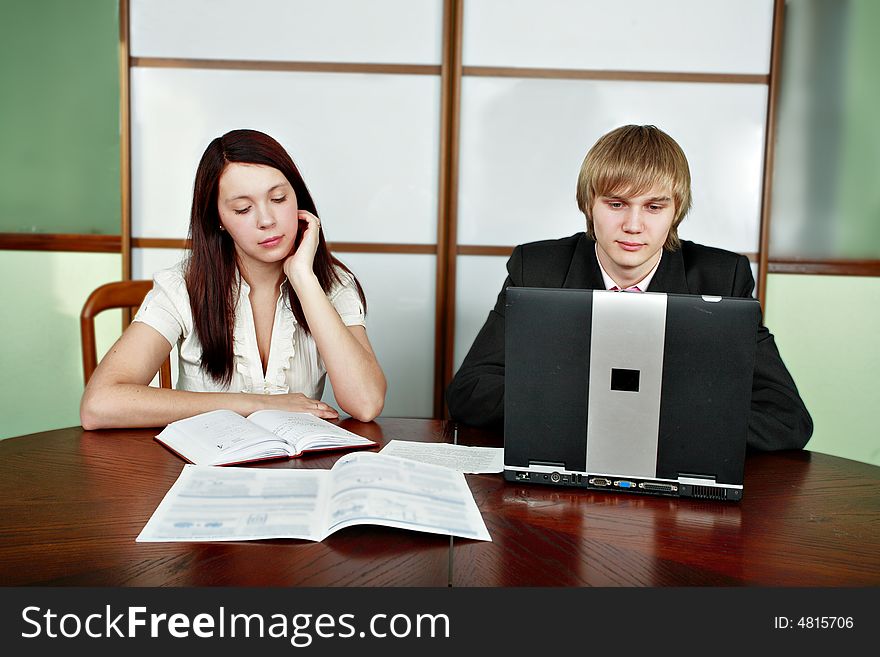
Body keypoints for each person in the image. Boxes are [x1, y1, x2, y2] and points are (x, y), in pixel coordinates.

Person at [447, 124, 812, 451]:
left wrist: (648, 421)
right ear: (589, 204)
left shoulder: (722, 277)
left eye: (653, 207)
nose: (633, 225)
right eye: (616, 204)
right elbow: (470, 392)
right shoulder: (539, 268)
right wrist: (603, 411)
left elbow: (786, 418)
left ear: (676, 211)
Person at [81, 129, 386, 429]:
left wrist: (304, 279)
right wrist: (256, 404)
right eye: (243, 208)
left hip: (297, 470)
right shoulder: (183, 286)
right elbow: (99, 405)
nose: (267, 220)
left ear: (298, 199)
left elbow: (366, 403)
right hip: (206, 470)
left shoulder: (331, 284)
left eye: (279, 199)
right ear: (218, 219)